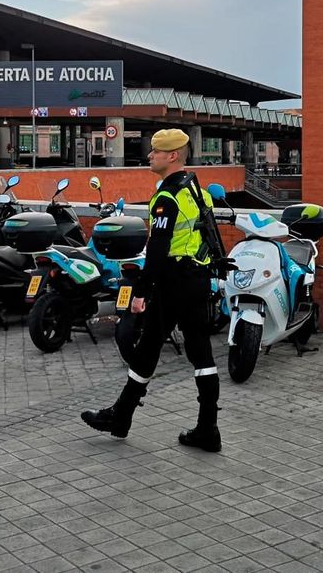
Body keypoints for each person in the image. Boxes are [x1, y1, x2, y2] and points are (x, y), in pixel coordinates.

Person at [81, 128, 222, 452]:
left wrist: (140, 292)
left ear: (172, 156)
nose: (149, 155)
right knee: (201, 354)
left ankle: (120, 416)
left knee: (147, 348)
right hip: (198, 277)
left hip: (173, 279)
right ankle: (208, 427)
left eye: (155, 151)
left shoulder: (166, 196)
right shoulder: (198, 190)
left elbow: (157, 250)